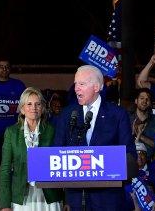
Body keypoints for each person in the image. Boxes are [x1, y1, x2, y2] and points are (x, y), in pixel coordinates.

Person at [53, 65, 135, 211]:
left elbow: (129, 155)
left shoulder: (117, 114)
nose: (76, 88)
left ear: (97, 87)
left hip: (108, 200)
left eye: (82, 84)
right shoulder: (67, 114)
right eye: (75, 83)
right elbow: (56, 153)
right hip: (76, 200)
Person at [0, 87, 62, 211]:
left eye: (38, 104)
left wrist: (66, 199)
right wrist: (4, 204)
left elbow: (62, 166)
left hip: (49, 196)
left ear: (42, 108)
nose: (34, 107)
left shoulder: (52, 130)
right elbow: (5, 169)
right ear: (22, 109)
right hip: (21, 197)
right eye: (29, 104)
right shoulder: (11, 132)